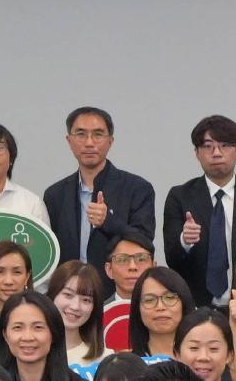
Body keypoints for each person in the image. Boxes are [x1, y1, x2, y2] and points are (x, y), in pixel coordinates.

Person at [155, 111, 236, 307]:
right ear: (197, 153)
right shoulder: (180, 197)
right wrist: (185, 241)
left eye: (224, 145)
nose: (216, 153)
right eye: (208, 146)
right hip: (195, 306)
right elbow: (172, 259)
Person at [41, 103, 154, 277]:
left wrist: (108, 221)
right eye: (80, 134)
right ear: (69, 141)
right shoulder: (55, 194)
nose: (89, 142)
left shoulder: (137, 188)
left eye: (98, 134)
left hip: (116, 291)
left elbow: (145, 242)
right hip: (70, 293)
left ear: (111, 141)